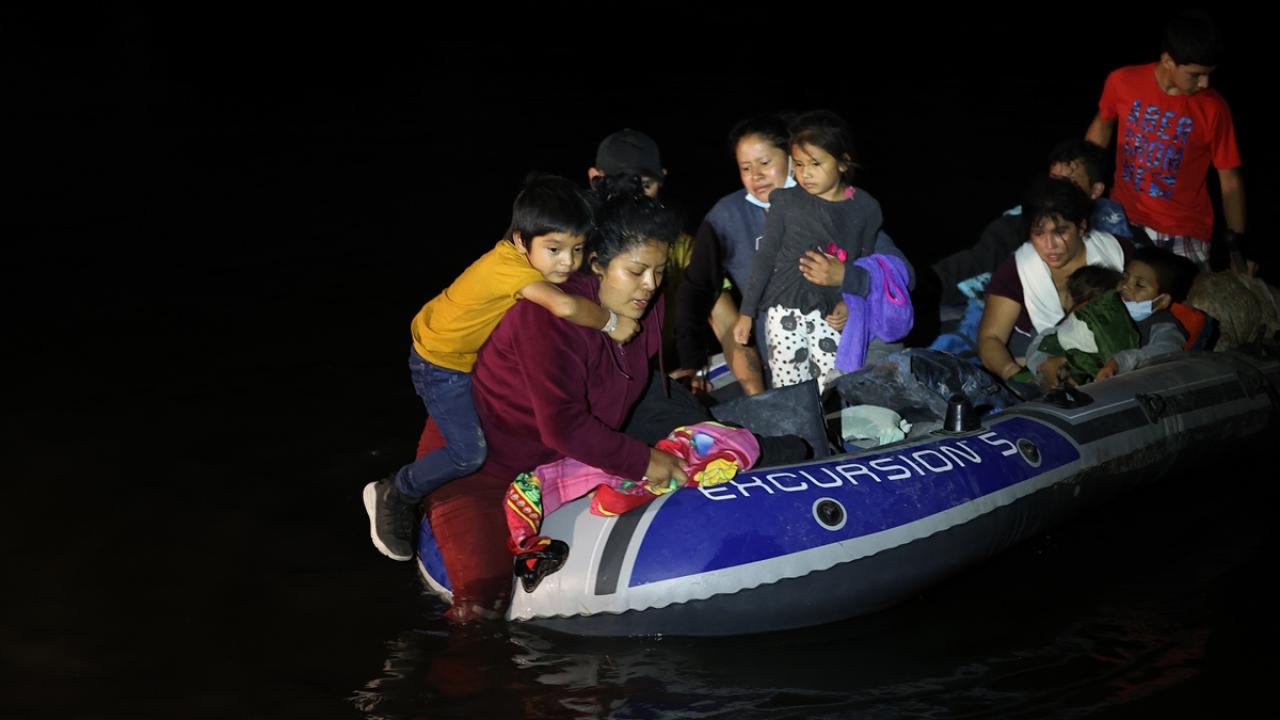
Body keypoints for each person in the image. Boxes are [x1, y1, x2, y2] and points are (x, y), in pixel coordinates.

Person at [362, 175, 639, 563]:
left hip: (461, 349)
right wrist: (611, 322)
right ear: (521, 241)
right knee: (467, 454)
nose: (568, 262)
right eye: (555, 249)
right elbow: (564, 306)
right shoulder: (510, 269)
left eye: (577, 249)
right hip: (440, 365)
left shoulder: (523, 259)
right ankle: (397, 491)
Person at [732, 110, 910, 391]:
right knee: (790, 390)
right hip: (784, 310)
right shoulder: (786, 202)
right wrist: (747, 313)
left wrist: (850, 305)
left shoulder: (865, 208)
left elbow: (863, 261)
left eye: (815, 163)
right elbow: (764, 258)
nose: (805, 173)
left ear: (843, 162)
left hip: (829, 313)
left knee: (832, 386)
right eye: (798, 164)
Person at [1085, 9, 1247, 272]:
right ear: (1168, 60)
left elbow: (1230, 181)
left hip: (1183, 230)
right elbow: (1102, 126)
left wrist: (1237, 249)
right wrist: (1082, 186)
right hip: (1121, 217)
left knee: (1188, 298)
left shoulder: (1214, 109)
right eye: (1195, 75)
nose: (1205, 83)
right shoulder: (1123, 81)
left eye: (1209, 74)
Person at [673, 114, 794, 396]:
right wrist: (690, 362)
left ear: (791, 157)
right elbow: (695, 290)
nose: (756, 176)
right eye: (746, 168)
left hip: (844, 349)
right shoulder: (727, 217)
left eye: (765, 163)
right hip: (781, 365)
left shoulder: (825, 199)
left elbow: (884, 262)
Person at [977, 176, 1133, 382]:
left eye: (1060, 232)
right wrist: (1020, 377)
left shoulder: (1119, 254)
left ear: (1081, 227)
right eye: (1038, 233)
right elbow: (991, 338)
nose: (1050, 245)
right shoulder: (1017, 271)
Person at [588, 129, 695, 367]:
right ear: (595, 178)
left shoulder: (681, 245)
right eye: (620, 184)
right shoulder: (570, 242)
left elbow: (723, 318)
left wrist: (690, 368)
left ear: (662, 180)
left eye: (645, 185)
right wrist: (607, 321)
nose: (632, 195)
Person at [1024, 266, 1137, 387]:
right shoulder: (1056, 331)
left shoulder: (1054, 333)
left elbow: (1033, 354)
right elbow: (1035, 354)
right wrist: (1047, 364)